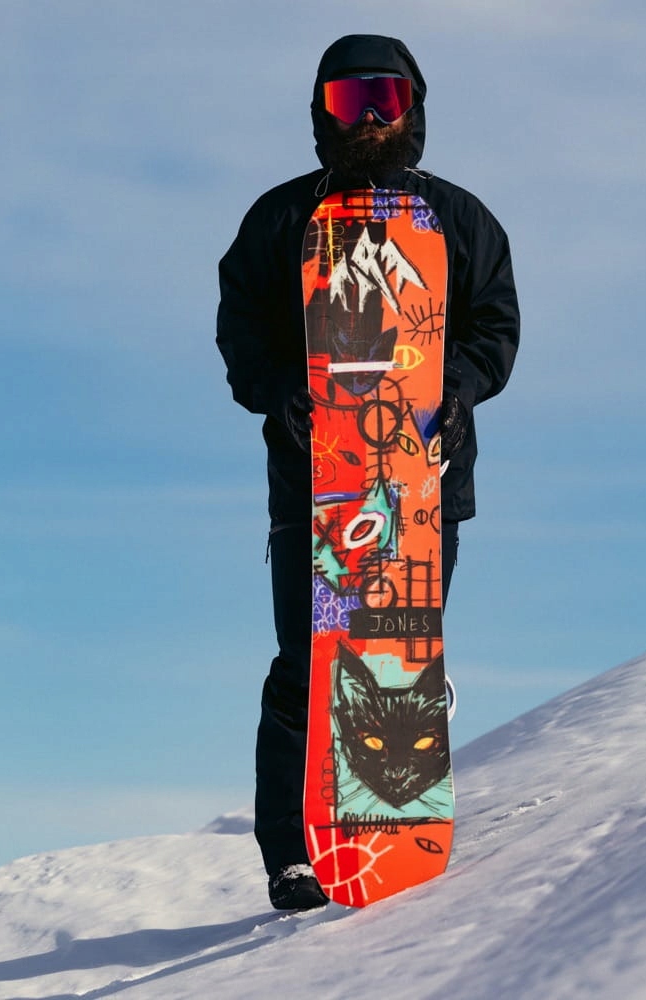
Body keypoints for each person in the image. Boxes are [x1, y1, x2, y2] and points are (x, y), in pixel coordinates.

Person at [216, 34, 520, 909]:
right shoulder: (281, 220)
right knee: (306, 662)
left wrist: (457, 388)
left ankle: (389, 816)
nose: (372, 120)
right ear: (321, 114)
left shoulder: (458, 220)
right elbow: (241, 335)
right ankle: (293, 854)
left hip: (425, 481)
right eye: (351, 103)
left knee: (398, 649)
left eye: (387, 99)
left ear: (415, 106)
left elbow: (495, 328)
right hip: (313, 486)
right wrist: (282, 390)